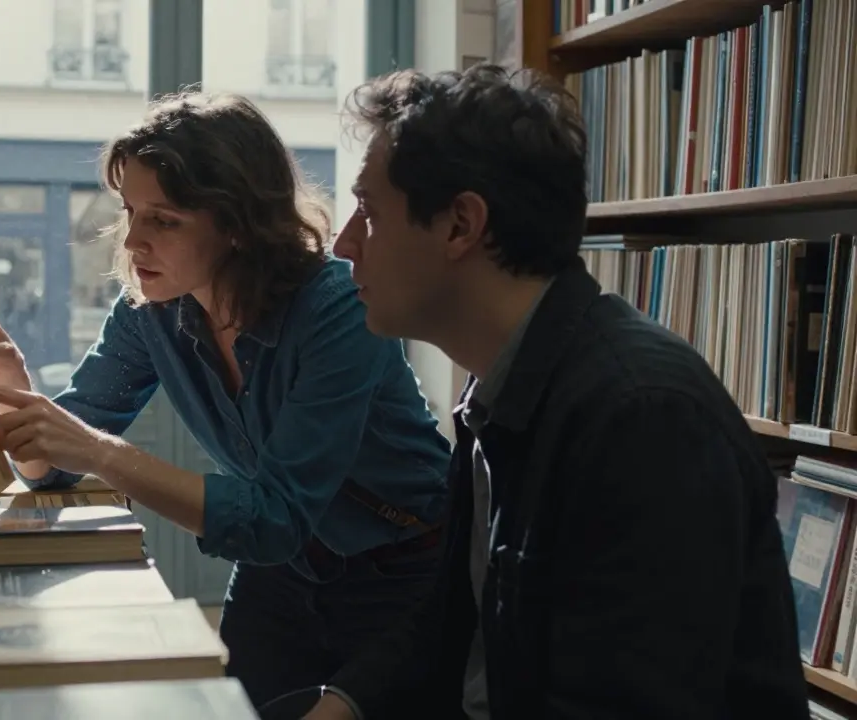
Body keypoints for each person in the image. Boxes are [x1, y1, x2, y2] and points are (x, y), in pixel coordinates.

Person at [305, 65, 810, 720]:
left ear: (461, 225)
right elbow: (451, 626)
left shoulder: (642, 419)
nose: (343, 244)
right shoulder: (498, 387)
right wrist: (338, 707)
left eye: (368, 212)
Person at [0, 90, 454, 711]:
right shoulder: (150, 311)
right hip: (284, 575)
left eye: (163, 220)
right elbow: (51, 466)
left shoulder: (336, 305)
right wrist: (16, 391)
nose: (133, 242)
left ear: (238, 224)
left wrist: (99, 451)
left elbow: (273, 518)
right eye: (129, 211)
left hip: (404, 572)